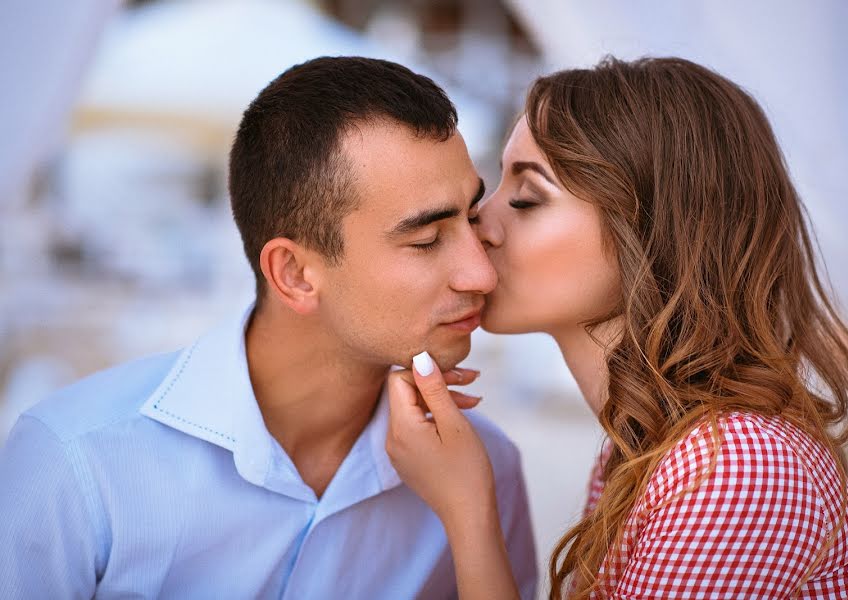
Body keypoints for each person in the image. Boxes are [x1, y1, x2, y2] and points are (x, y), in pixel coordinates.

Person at [0, 57, 538, 599]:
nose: (483, 273)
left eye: (471, 218)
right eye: (426, 240)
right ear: (295, 274)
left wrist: (472, 518)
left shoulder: (482, 470)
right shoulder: (73, 464)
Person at [386, 56, 848, 599]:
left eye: (527, 199)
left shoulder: (736, 470)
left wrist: (468, 509)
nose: (479, 225)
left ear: (655, 231)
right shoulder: (646, 450)